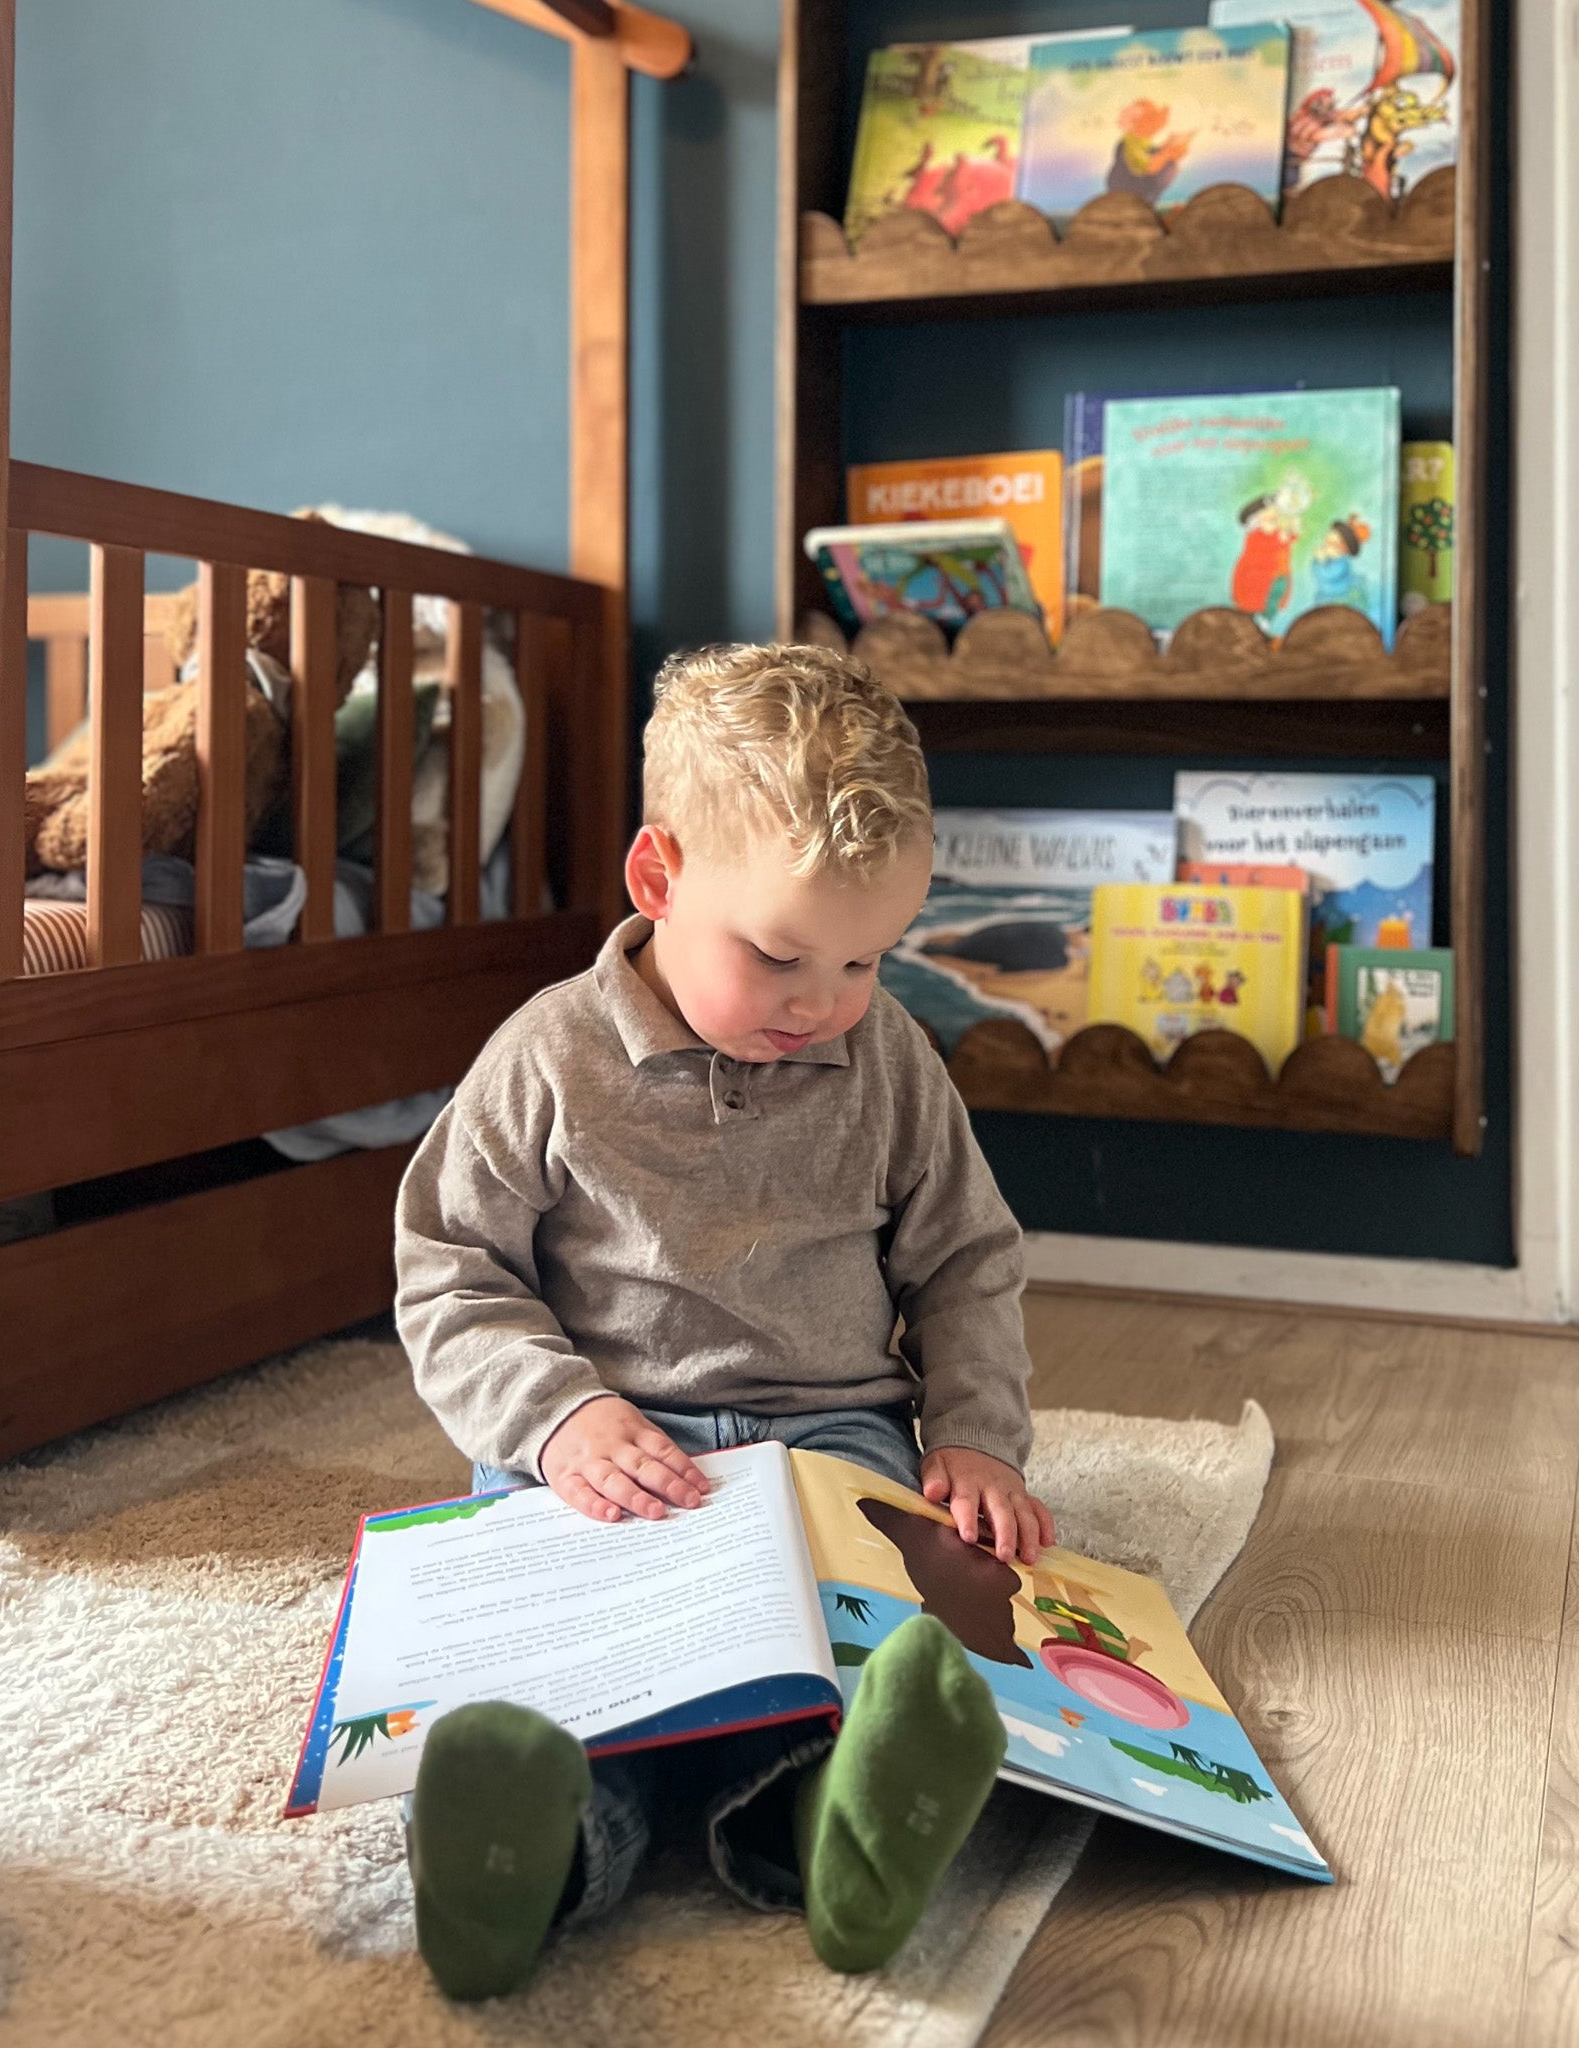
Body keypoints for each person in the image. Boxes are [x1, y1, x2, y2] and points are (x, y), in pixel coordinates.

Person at [393, 641, 1053, 1999]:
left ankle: (836, 1826)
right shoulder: (547, 1055)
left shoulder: (889, 1060)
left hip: (830, 1438)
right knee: (571, 1667)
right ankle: (533, 1844)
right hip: (597, 1446)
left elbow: (966, 1263)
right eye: (781, 956)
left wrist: (980, 1437)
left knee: (843, 1652)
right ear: (659, 878)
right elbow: (451, 1265)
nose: (825, 1003)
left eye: (869, 958)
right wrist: (557, 1414)